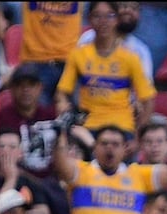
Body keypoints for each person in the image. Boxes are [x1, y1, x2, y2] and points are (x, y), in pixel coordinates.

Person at [55, 1, 156, 140]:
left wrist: (138, 137)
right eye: (97, 16)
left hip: (121, 126)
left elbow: (148, 100)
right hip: (87, 124)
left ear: (117, 20)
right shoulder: (78, 54)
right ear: (89, 19)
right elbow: (62, 91)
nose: (103, 21)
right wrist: (62, 103)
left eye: (109, 16)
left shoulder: (130, 57)